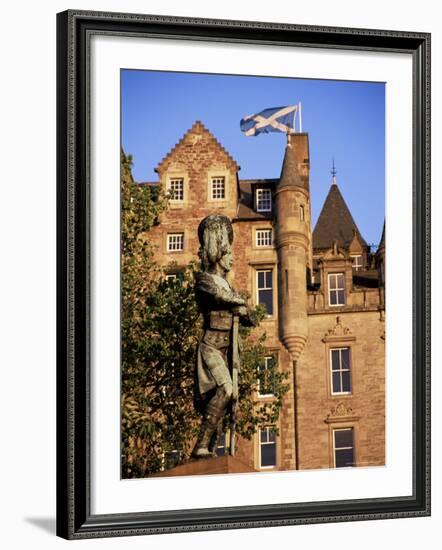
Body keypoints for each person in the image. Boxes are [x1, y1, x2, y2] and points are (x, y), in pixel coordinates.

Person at [192, 214, 257, 458]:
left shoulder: (230, 287)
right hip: (211, 347)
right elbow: (219, 296)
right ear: (218, 249)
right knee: (225, 389)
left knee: (227, 401)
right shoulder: (205, 280)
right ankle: (201, 445)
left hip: (228, 351)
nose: (232, 255)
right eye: (228, 250)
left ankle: (207, 448)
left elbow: (251, 318)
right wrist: (238, 303)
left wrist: (243, 309)